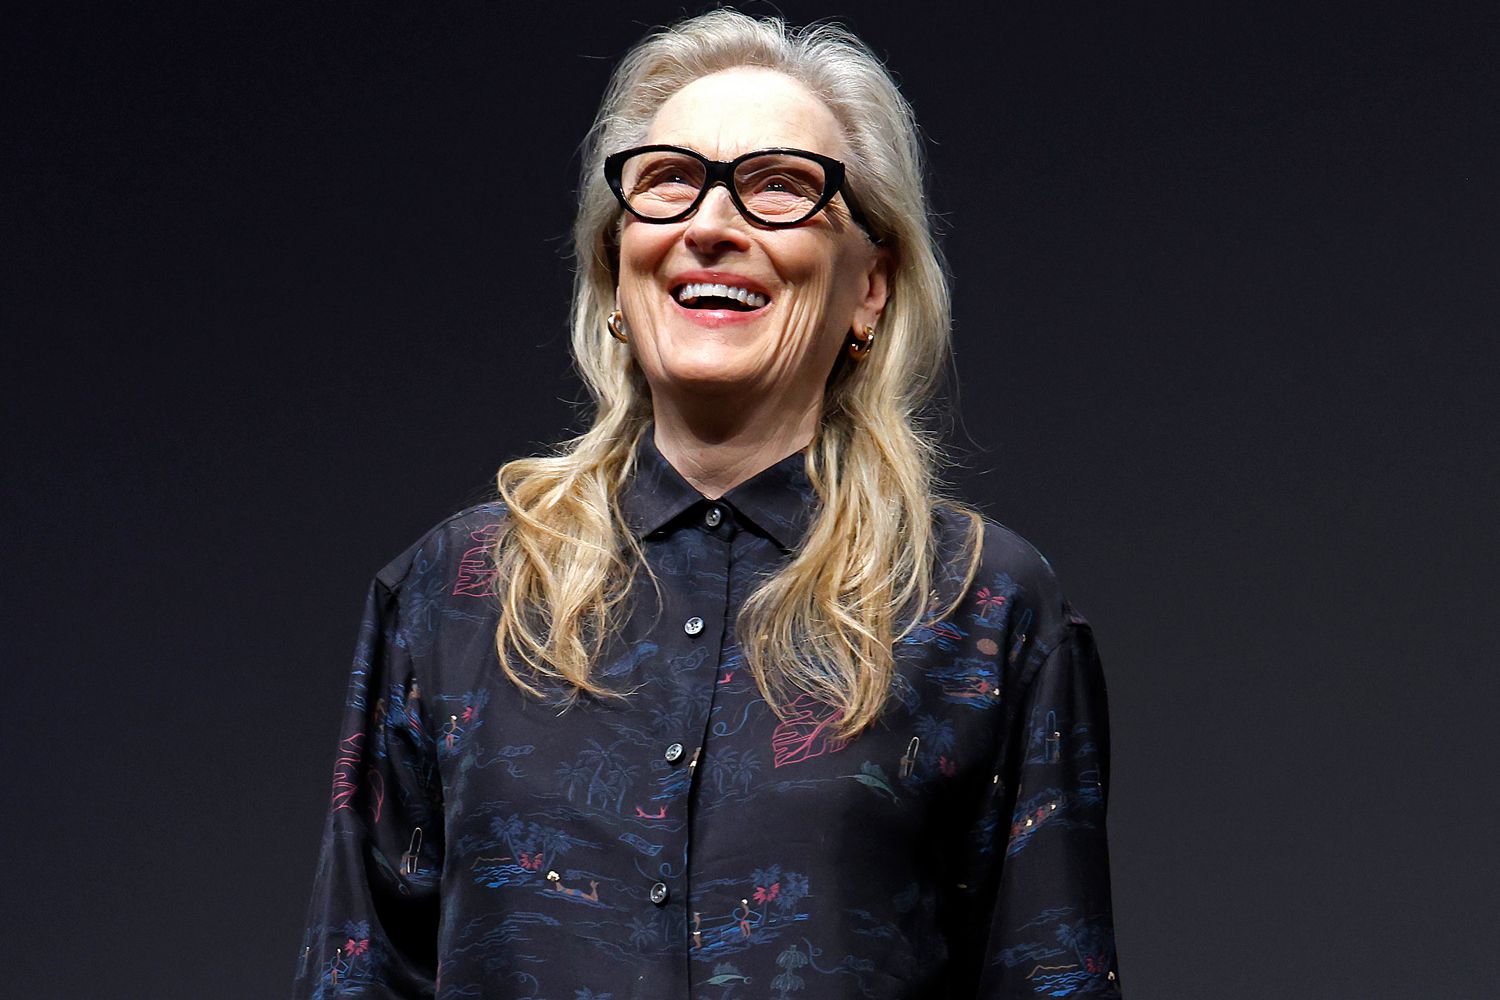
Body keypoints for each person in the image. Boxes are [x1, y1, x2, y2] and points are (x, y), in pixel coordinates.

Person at [292, 9, 1121, 999]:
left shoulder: (984, 612)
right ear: (613, 265)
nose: (709, 226)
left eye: (780, 188)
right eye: (668, 182)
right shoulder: (451, 597)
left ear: (871, 286)